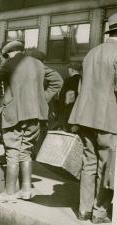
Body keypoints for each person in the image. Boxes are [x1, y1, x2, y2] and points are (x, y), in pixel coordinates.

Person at [0, 40, 62, 201]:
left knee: (12, 152)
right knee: (26, 151)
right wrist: (42, 99)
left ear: (8, 53)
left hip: (14, 114)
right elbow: (57, 81)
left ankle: (9, 193)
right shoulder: (37, 63)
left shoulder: (8, 63)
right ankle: (26, 190)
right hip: (36, 115)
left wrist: (2, 101)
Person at [68, 13, 117, 224]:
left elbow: (82, 86)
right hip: (108, 119)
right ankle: (99, 212)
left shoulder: (91, 53)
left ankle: (84, 210)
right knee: (106, 166)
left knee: (88, 163)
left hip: (85, 116)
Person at [58, 62, 82, 132]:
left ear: (72, 70)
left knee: (68, 130)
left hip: (69, 109)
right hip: (81, 109)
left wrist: (61, 108)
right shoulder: (84, 80)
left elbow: (62, 96)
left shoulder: (68, 80)